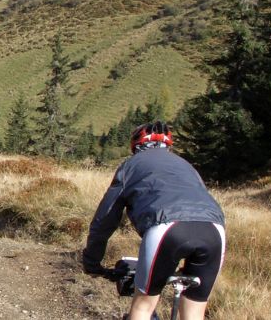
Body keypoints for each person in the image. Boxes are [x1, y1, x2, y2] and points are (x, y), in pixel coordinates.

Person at [82, 121, 226, 320]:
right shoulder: (186, 165)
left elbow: (105, 219)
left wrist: (92, 261)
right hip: (214, 231)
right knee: (194, 313)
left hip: (167, 227)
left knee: (143, 305)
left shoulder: (131, 165)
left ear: (136, 146)